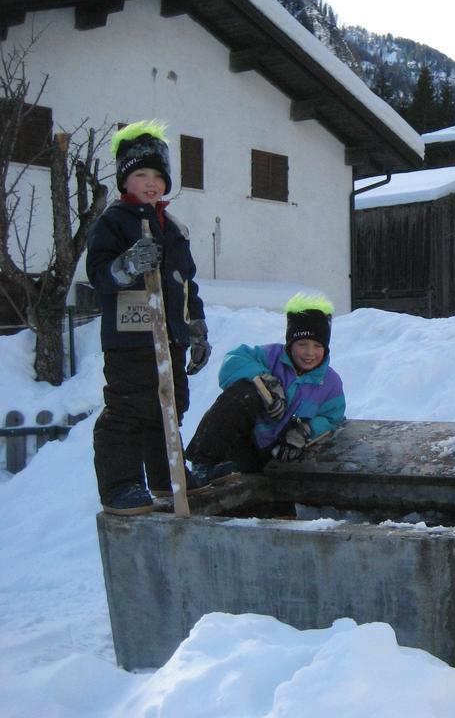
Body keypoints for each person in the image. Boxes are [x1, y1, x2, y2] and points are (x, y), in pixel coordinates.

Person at [86, 120, 211, 515]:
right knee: (129, 408)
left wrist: (196, 332)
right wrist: (128, 264)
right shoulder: (113, 221)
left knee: (170, 405)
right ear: (125, 178)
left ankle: (167, 476)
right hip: (129, 338)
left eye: (158, 175)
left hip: (168, 336)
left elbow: (185, 285)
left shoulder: (173, 227)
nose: (151, 182)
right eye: (141, 174)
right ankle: (120, 486)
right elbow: (100, 276)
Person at [185, 293, 345, 482]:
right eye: (302, 344)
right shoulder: (269, 357)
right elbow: (231, 363)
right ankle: (204, 465)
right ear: (290, 344)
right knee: (244, 392)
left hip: (277, 453)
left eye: (317, 346)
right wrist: (263, 380)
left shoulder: (330, 383)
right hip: (245, 441)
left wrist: (305, 431)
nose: (310, 353)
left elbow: (332, 418)